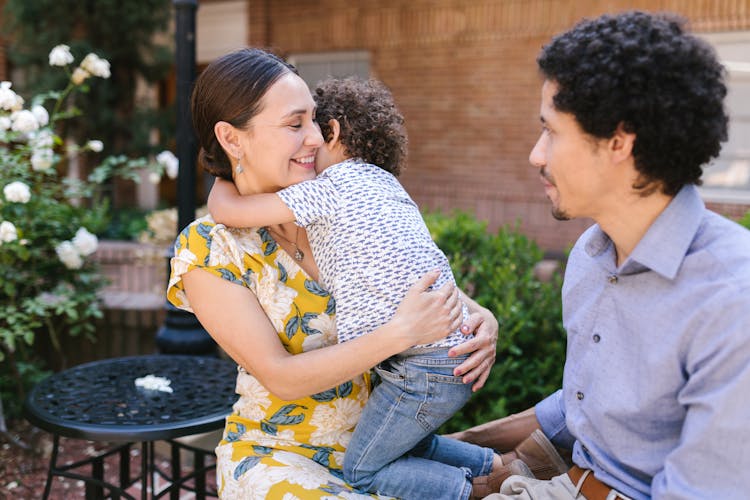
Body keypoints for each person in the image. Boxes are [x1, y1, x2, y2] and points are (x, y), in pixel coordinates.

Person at [167, 48, 499, 499]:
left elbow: (409, 276)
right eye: (294, 124)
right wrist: (401, 334)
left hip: (382, 443)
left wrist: (479, 318)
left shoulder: (338, 202)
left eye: (316, 123)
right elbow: (280, 376)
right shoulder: (209, 248)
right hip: (280, 453)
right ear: (232, 138)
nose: (314, 139)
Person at [451, 10, 750, 500]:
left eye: (551, 130)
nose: (536, 155)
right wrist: (460, 443)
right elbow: (583, 407)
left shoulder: (732, 302)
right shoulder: (592, 256)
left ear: (618, 142)